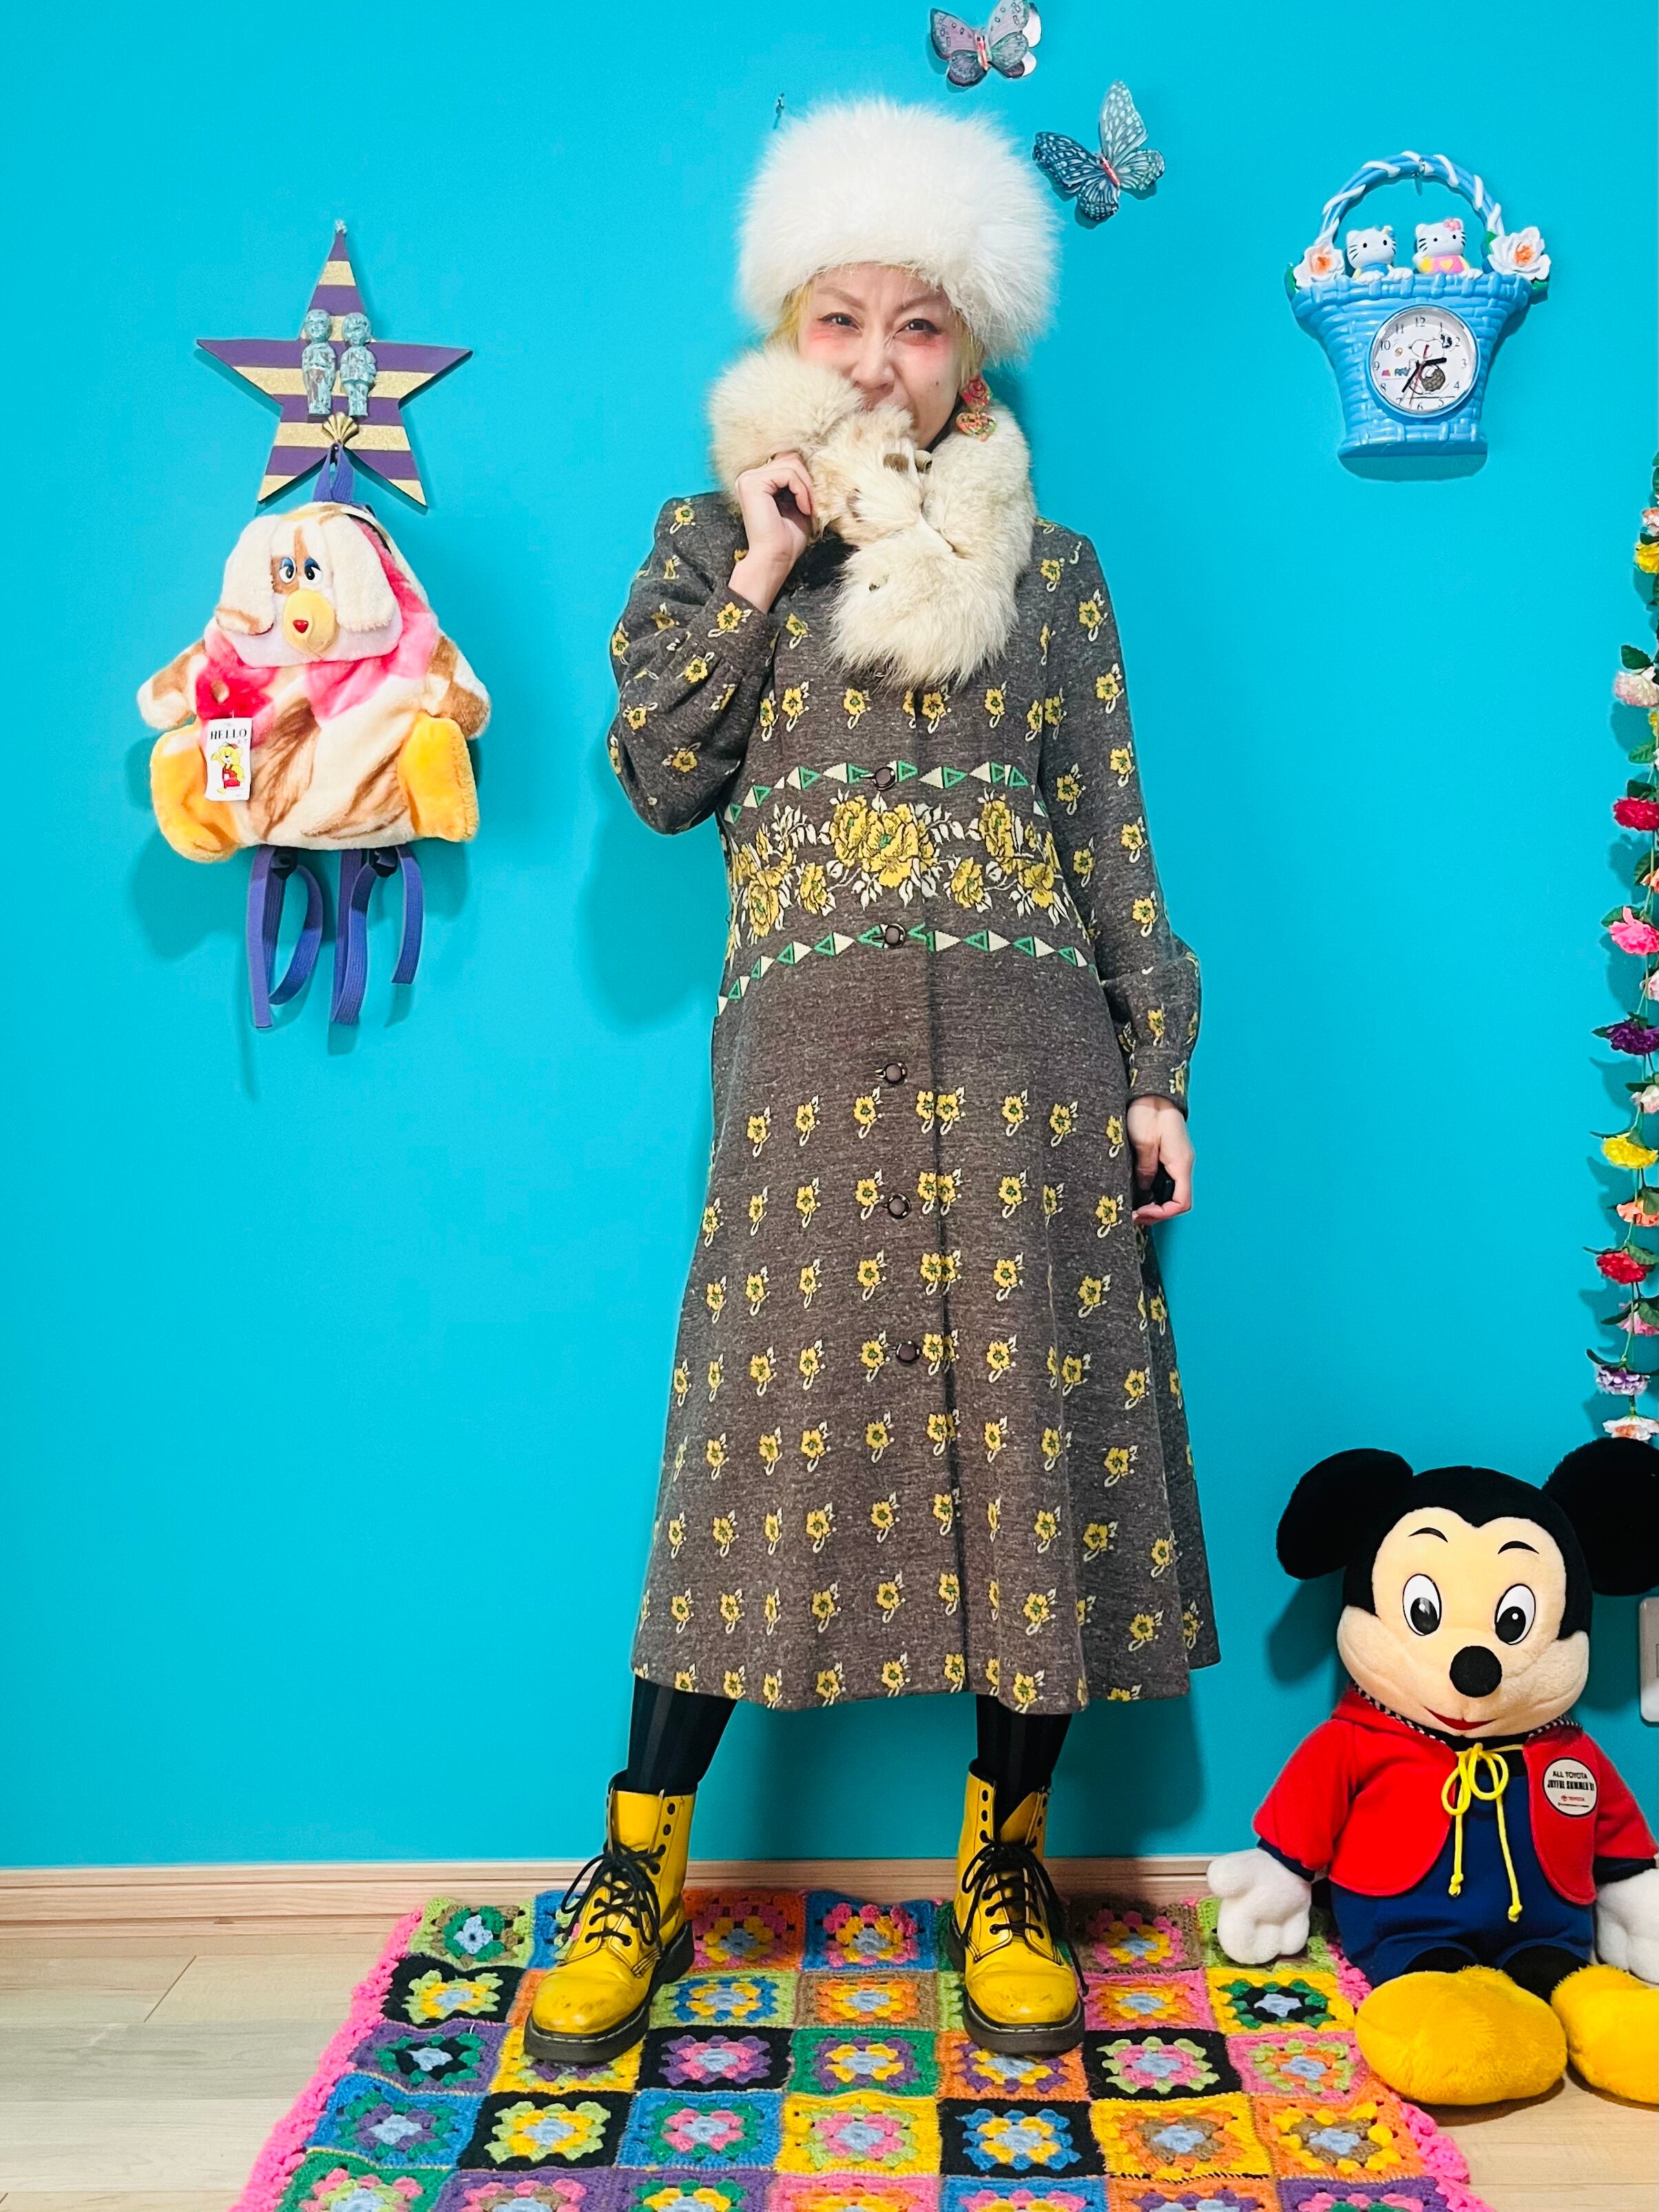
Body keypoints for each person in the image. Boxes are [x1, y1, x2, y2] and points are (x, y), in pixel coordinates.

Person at [528, 96, 1216, 2070]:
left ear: (972, 346)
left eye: (919, 324)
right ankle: (635, 1866)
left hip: (1029, 1069)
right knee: (750, 1449)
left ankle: (1007, 1863)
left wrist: (1153, 1068)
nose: (878, 360)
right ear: (788, 329)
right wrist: (762, 562)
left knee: (1036, 1443)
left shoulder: (1055, 573)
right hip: (807, 1078)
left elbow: (1108, 832)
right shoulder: (708, 540)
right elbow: (660, 776)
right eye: (842, 319)